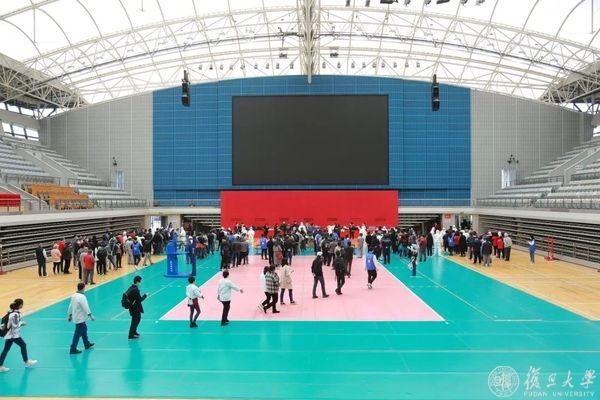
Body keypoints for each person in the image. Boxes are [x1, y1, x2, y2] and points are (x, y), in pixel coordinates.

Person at [0, 299, 37, 372]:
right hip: (13, 335)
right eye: (22, 304)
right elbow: (15, 325)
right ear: (20, 305)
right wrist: (22, 323)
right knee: (23, 345)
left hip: (9, 335)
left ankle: (0, 366)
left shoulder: (11, 311)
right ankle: (27, 362)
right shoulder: (15, 314)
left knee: (6, 349)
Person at [67, 282, 95, 354]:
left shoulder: (73, 296)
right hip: (80, 318)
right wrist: (90, 315)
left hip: (76, 317)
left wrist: (70, 315)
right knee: (77, 334)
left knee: (84, 329)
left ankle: (86, 343)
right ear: (83, 288)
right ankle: (73, 348)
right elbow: (85, 306)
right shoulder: (82, 297)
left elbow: (70, 306)